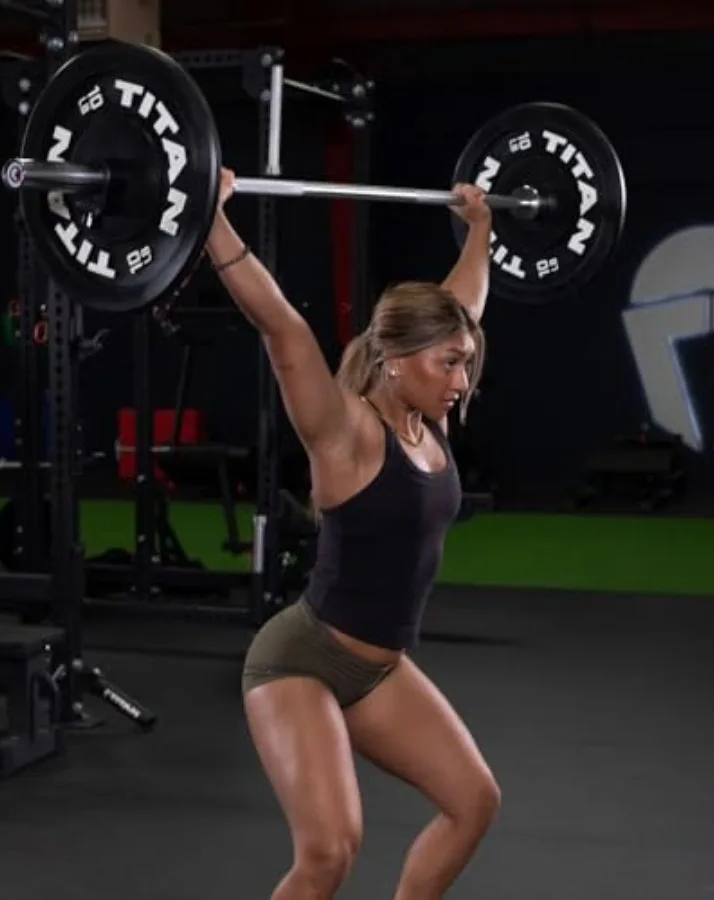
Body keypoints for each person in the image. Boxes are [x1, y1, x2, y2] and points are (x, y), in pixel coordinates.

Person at [207, 166, 499, 900]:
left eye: (465, 364)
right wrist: (210, 218)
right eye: (449, 364)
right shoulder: (347, 433)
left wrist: (481, 229)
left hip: (382, 671)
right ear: (396, 361)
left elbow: (462, 306)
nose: (460, 381)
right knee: (330, 852)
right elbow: (282, 327)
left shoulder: (425, 411)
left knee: (473, 802)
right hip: (301, 661)